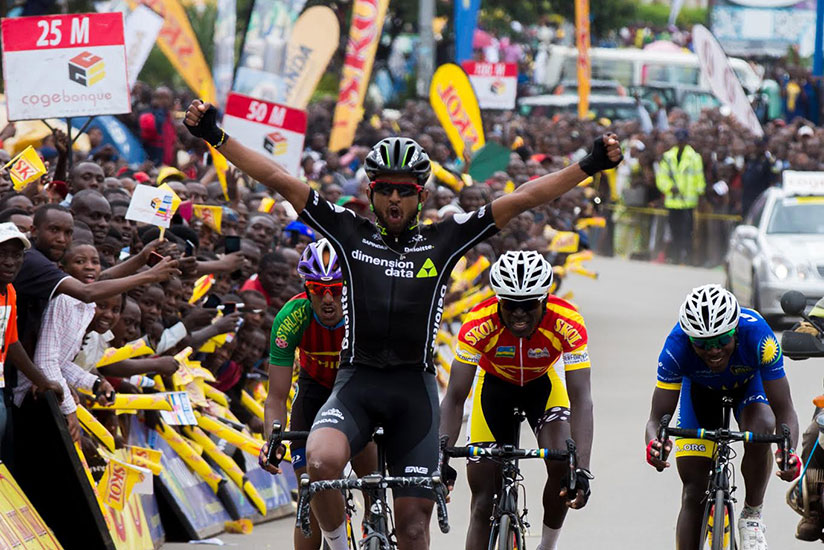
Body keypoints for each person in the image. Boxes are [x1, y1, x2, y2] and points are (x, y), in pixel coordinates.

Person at [183, 98, 621, 550]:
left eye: (405, 190)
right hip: (357, 383)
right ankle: (337, 543)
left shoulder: (444, 239)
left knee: (413, 530)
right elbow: (278, 179)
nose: (395, 199)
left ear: (422, 196)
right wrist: (216, 136)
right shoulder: (349, 232)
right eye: (386, 189)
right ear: (371, 192)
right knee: (320, 460)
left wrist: (588, 164)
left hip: (415, 392)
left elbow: (524, 198)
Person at [439, 251, 593, 550]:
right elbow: (455, 398)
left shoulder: (567, 321)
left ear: (545, 300)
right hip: (493, 388)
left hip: (542, 385)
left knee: (563, 462)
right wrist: (440, 454)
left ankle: (547, 545)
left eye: (529, 305)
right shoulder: (479, 322)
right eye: (510, 305)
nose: (519, 313)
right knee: (484, 497)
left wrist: (582, 469)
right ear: (499, 301)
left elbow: (581, 399)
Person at [644, 284, 800, 550]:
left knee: (762, 426)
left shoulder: (758, 337)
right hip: (700, 395)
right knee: (694, 490)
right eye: (702, 344)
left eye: (721, 340)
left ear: (735, 332)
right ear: (689, 339)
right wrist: (655, 445)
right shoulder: (676, 346)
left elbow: (784, 409)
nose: (713, 350)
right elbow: (657, 418)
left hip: (749, 389)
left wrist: (788, 451)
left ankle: (751, 516)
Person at [261, 239, 374, 550]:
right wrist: (271, 439)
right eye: (317, 289)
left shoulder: (365, 313)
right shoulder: (292, 317)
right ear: (306, 289)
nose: (327, 299)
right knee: (308, 490)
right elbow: (276, 396)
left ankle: (374, 523)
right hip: (314, 391)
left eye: (336, 289)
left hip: (359, 391)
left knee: (372, 480)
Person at [655, 128, 705, 265]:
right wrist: (669, 187)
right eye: (679, 140)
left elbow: (699, 178)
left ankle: (687, 258)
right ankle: (675, 257)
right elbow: (661, 178)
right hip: (673, 201)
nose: (681, 143)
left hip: (688, 202)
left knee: (687, 233)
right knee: (674, 232)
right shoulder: (668, 157)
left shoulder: (695, 157)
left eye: (683, 140)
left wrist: (700, 195)